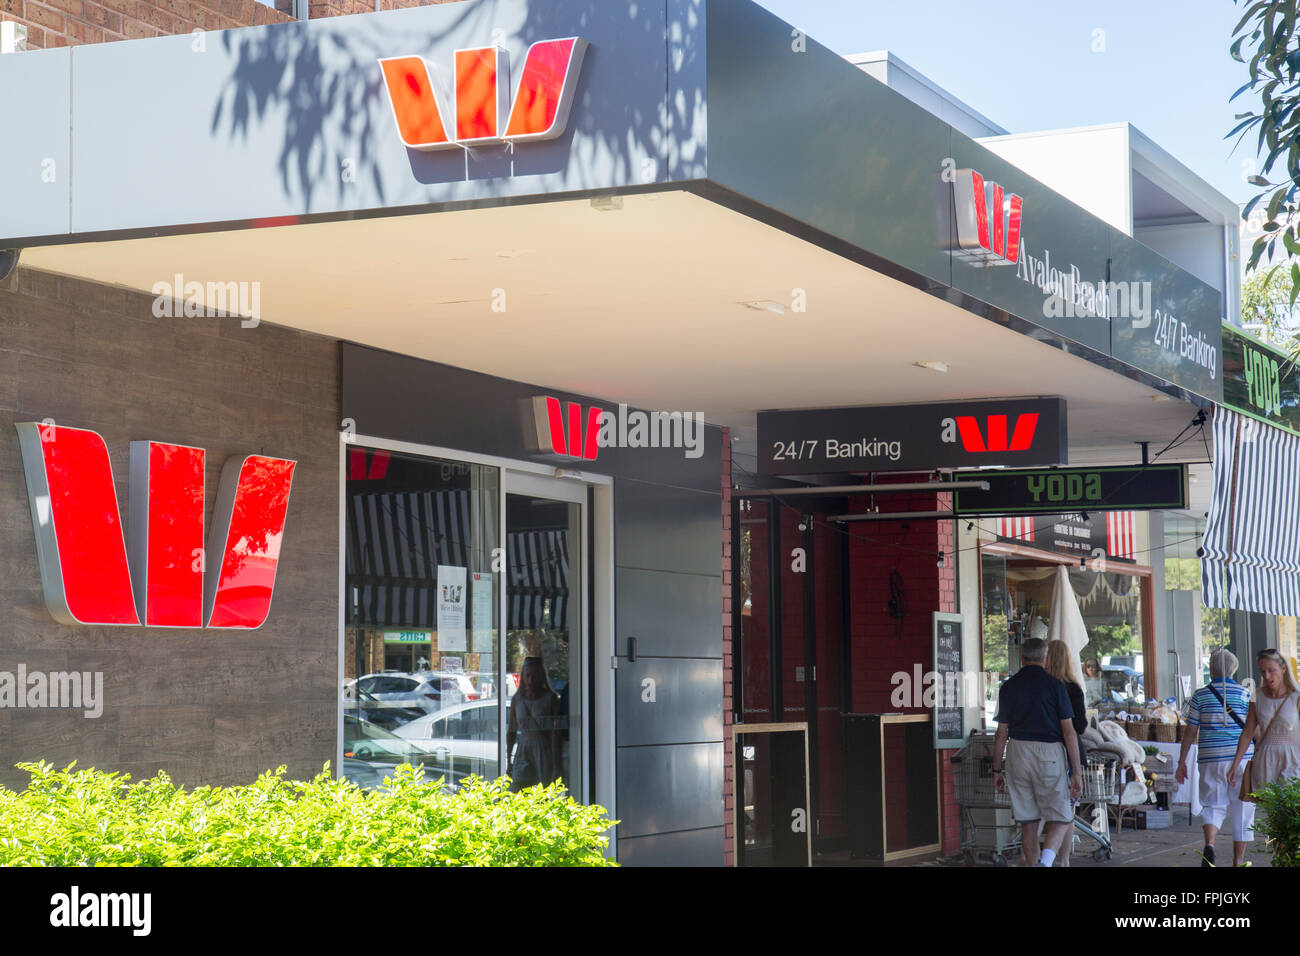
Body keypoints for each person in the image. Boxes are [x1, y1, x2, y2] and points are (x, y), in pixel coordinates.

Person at [992, 637, 1084, 867]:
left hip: (1017, 752)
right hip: (1049, 753)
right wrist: (1077, 772)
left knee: (1028, 820)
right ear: (1046, 658)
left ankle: (1033, 864)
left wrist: (996, 769)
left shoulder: (1008, 687)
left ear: (1021, 658)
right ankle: (1046, 860)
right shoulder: (1056, 686)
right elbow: (1070, 732)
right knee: (1062, 815)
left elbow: (1001, 733)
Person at [1177, 650, 1254, 867]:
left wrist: (1182, 761)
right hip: (1241, 758)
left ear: (1211, 670)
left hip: (1210, 757)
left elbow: (1191, 731)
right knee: (1243, 807)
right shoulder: (1244, 694)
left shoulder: (1200, 695)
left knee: (1212, 805)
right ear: (1233, 670)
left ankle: (1209, 845)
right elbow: (1253, 727)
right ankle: (1238, 861)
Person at [1228, 648, 1300, 798]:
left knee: (1291, 808)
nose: (1267, 676)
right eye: (1262, 671)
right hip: (1266, 760)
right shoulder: (1257, 696)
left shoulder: (1296, 696)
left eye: (1271, 670)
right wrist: (1235, 763)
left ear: (1283, 668)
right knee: (1270, 811)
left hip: (1293, 758)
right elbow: (1248, 731)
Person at [1044, 640, 1087, 866]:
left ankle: (1036, 856)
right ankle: (1064, 859)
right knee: (1067, 810)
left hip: (1043, 752)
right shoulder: (1073, 688)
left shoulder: (1042, 688)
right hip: (1069, 754)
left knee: (1042, 809)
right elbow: (1080, 726)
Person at [506, 656, 562, 792]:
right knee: (517, 790)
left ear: (541, 677)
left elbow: (556, 732)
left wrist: (556, 764)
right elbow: (512, 731)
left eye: (535, 676)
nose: (531, 680)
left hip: (544, 749)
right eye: (528, 675)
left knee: (544, 791)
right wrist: (509, 760)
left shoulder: (550, 698)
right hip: (523, 748)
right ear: (523, 677)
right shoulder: (517, 699)